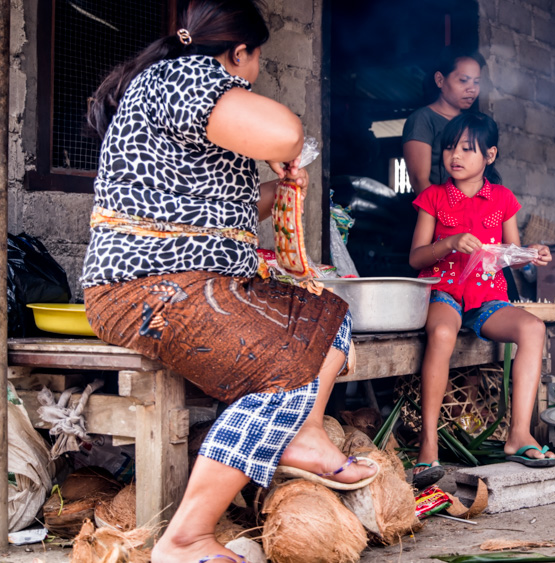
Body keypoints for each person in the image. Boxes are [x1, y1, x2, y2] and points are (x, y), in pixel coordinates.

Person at [81, 2, 376, 561]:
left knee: (326, 314)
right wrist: (287, 149)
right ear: (240, 53)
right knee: (283, 369)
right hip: (149, 287)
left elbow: (223, 210)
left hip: (195, 281)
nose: (254, 72)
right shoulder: (185, 76)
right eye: (256, 59)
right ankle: (184, 538)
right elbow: (286, 132)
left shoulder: (183, 98)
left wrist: (281, 190)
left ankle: (304, 434)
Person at [408, 112, 555, 489]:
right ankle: (428, 442)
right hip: (443, 291)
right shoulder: (433, 197)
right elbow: (416, 258)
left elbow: (511, 253)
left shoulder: (502, 199)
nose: (454, 156)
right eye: (449, 148)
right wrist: (449, 243)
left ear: (490, 155)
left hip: (489, 297)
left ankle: (519, 435)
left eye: (466, 149)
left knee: (533, 328)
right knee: (442, 334)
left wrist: (532, 254)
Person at [402, 50, 486, 194]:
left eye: (476, 82)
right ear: (440, 80)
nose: (472, 89)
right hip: (437, 207)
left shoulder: (472, 123)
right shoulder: (423, 119)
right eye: (463, 80)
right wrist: (445, 209)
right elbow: (419, 180)